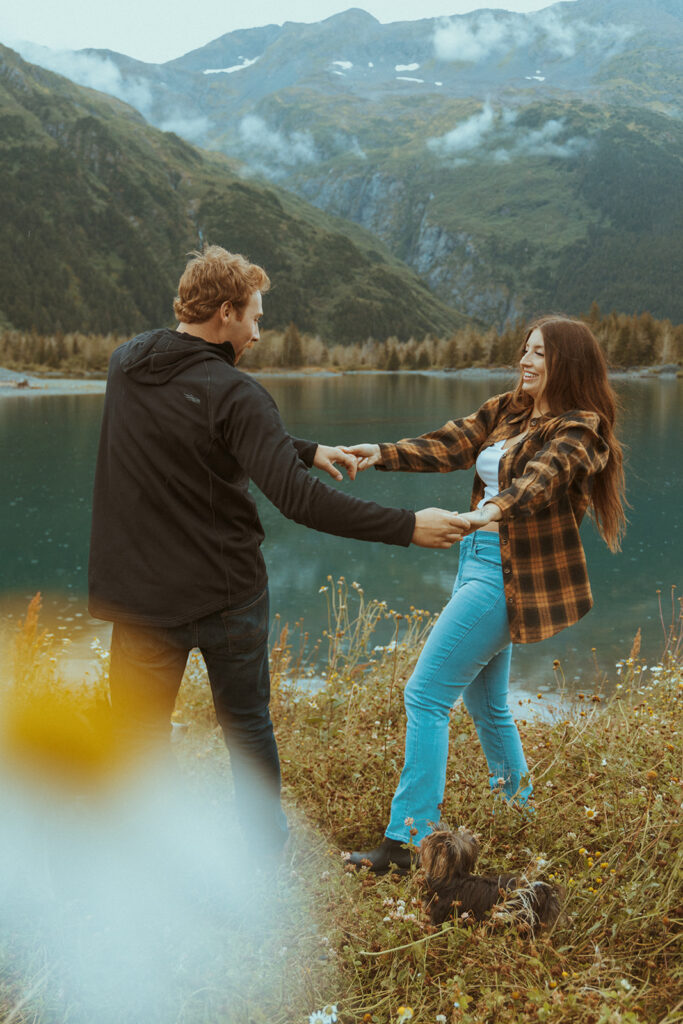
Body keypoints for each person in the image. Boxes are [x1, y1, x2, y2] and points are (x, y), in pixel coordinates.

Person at [88, 245, 466, 862]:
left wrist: (303, 446)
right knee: (245, 728)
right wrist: (408, 525)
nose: (259, 333)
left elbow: (202, 424)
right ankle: (266, 859)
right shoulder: (238, 393)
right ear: (228, 314)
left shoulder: (126, 365)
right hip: (224, 595)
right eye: (256, 318)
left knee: (134, 734)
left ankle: (136, 863)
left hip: (139, 597)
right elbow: (300, 503)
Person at [343, 315, 626, 872]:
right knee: (486, 703)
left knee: (425, 695)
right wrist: (380, 452)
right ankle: (520, 815)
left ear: (566, 362)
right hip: (477, 561)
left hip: (506, 574)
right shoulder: (511, 410)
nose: (524, 360)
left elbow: (540, 480)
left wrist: (484, 513)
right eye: (525, 349)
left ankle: (408, 842)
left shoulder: (581, 429)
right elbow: (452, 442)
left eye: (539, 354)